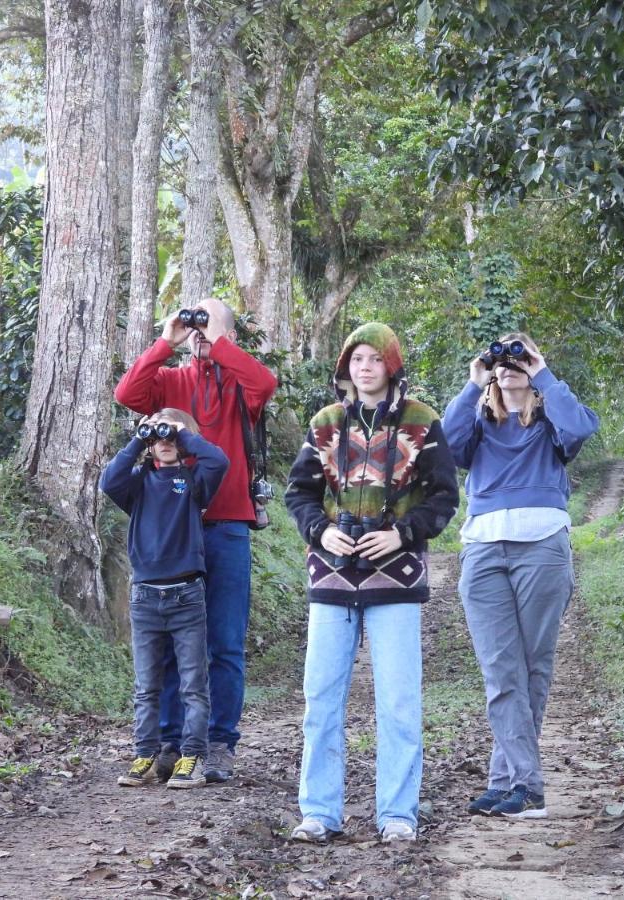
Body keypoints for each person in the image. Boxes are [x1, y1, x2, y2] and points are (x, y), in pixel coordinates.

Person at [284, 322, 459, 844]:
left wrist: (402, 534)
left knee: (399, 702)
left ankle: (398, 815)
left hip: (396, 579)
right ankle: (319, 812)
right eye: (356, 358)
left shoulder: (422, 421)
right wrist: (322, 533)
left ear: (391, 365)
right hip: (331, 577)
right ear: (345, 366)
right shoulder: (324, 424)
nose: (365, 367)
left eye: (375, 358)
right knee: (321, 698)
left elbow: (444, 497)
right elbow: (299, 494)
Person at [114, 298, 278, 784]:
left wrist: (220, 341)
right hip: (171, 530)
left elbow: (264, 384)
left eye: (209, 324)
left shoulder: (237, 382)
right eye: (196, 324)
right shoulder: (172, 380)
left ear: (228, 334)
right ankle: (168, 741)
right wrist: (168, 340)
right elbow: (128, 393)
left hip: (225, 523)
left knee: (224, 642)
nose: (200, 332)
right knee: (166, 641)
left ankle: (220, 742)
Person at [442, 332, 599, 819]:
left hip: (543, 545)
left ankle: (511, 782)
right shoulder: (478, 424)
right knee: (499, 669)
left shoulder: (552, 421)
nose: (508, 365)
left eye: (519, 357)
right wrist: (472, 385)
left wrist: (542, 371)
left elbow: (581, 427)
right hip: (484, 549)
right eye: (501, 359)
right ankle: (521, 784)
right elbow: (444, 445)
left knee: (531, 667)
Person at [100, 409, 229, 789]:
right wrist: (141, 437)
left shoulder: (193, 480)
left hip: (186, 593)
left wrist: (180, 432)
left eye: (173, 437)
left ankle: (192, 755)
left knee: (192, 681)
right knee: (147, 684)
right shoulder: (138, 482)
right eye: (159, 437)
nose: (166, 441)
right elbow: (109, 480)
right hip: (144, 596)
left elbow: (217, 460)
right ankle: (144, 753)